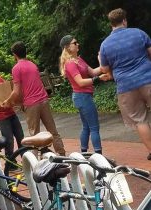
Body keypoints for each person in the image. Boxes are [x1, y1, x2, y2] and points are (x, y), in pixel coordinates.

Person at [99, 8, 151, 160]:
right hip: (148, 78)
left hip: (126, 87)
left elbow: (105, 69)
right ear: (124, 21)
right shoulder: (139, 33)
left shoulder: (105, 45)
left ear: (111, 24)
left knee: (139, 120)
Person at [3, 41, 66, 156]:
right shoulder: (32, 65)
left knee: (34, 135)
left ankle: (36, 162)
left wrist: (8, 101)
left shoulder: (16, 68)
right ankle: (62, 154)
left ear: (14, 54)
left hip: (31, 104)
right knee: (53, 131)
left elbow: (17, 91)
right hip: (43, 100)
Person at [59, 35, 109, 154]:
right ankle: (99, 156)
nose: (78, 44)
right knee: (94, 127)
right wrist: (98, 79)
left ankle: (84, 153)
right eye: (74, 43)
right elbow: (80, 82)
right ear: (68, 47)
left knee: (87, 126)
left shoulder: (79, 60)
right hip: (82, 97)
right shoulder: (70, 64)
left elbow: (93, 72)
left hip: (83, 97)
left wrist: (101, 61)